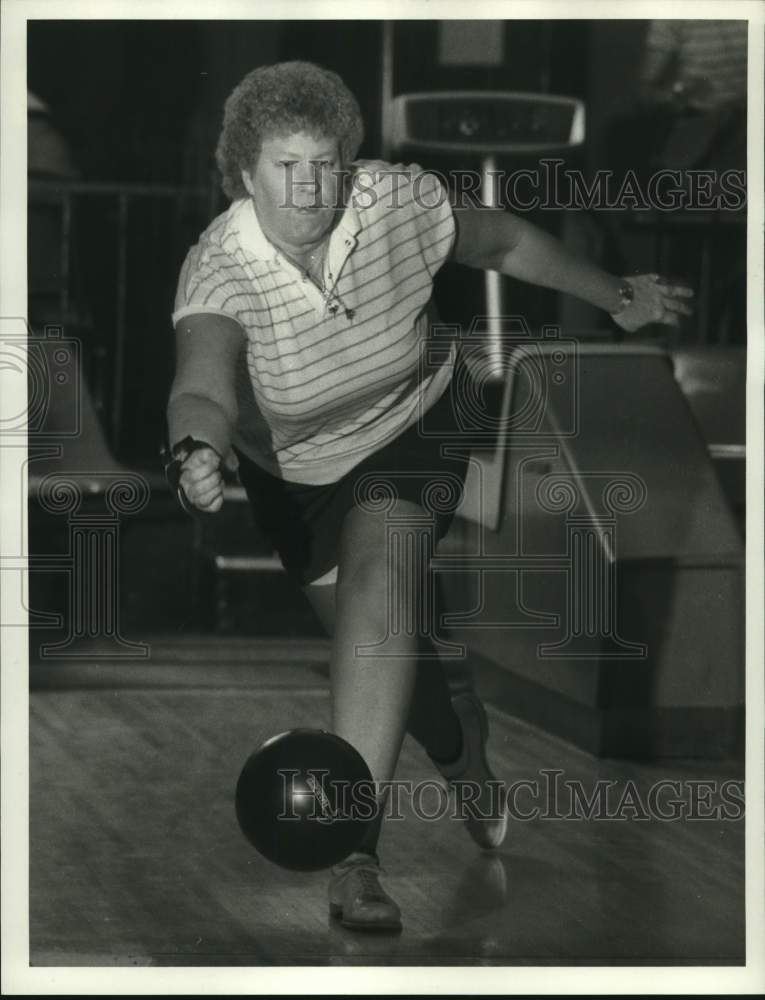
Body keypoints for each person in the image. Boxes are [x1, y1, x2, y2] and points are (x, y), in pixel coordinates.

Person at [165, 61, 693, 932]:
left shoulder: (395, 205)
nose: (309, 186)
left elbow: (504, 244)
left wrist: (616, 296)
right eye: (284, 165)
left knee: (381, 594)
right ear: (242, 175)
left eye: (326, 162)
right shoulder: (220, 268)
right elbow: (203, 384)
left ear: (350, 161)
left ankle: (353, 857)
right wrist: (197, 447)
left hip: (420, 422)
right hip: (296, 477)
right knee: (396, 673)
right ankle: (464, 754)